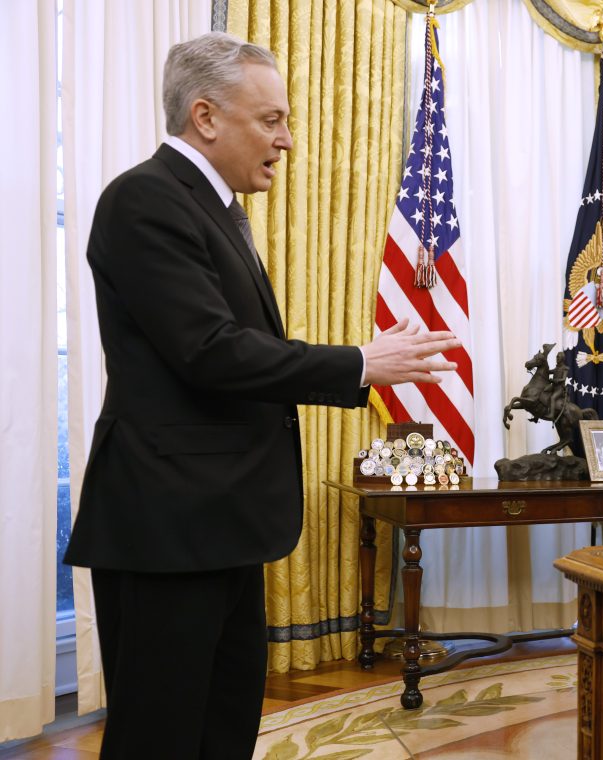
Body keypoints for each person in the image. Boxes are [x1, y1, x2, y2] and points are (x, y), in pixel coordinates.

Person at [63, 32, 459, 759]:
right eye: (270, 120)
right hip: (169, 528)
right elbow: (210, 352)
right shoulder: (144, 200)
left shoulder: (213, 207)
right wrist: (358, 365)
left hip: (219, 520)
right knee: (161, 737)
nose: (287, 140)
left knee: (222, 727)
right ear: (206, 117)